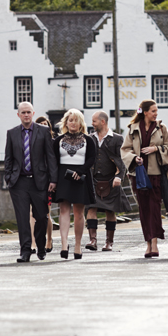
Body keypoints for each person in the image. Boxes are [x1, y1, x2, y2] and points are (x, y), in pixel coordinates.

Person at [121, 99, 168, 258]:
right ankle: (148, 243)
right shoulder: (132, 129)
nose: (156, 113)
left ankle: (155, 244)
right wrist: (133, 158)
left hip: (156, 174)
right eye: (153, 111)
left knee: (155, 209)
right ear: (145, 112)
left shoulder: (161, 128)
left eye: (156, 111)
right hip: (138, 175)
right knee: (144, 209)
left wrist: (156, 149)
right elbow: (124, 150)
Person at [4, 102, 57, 262]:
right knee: (22, 218)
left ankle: (41, 246)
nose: (26, 115)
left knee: (41, 217)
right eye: (23, 112)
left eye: (28, 112)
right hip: (18, 182)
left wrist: (53, 179)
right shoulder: (12, 133)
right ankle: (25, 250)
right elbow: (8, 158)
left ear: (33, 114)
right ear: (18, 115)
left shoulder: (43, 131)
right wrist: (9, 178)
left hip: (39, 182)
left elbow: (50, 156)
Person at [53, 109, 97, 260]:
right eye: (70, 120)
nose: (73, 123)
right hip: (63, 177)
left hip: (81, 176)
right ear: (66, 123)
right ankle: (64, 244)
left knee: (79, 212)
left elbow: (92, 158)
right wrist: (53, 180)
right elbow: (54, 161)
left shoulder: (88, 139)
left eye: (76, 120)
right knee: (64, 210)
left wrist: (81, 171)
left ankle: (78, 245)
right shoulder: (58, 140)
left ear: (81, 123)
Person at [85, 110, 130, 251]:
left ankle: (109, 242)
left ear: (102, 122)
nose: (92, 124)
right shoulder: (90, 138)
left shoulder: (117, 139)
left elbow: (122, 159)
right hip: (93, 180)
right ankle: (93, 241)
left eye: (94, 121)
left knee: (110, 211)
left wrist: (119, 177)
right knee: (90, 208)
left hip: (111, 179)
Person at [35, 116, 56, 252]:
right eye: (41, 124)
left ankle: (49, 239)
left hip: (48, 181)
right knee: (33, 213)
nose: (44, 127)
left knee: (46, 213)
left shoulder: (53, 142)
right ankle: (33, 241)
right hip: (34, 180)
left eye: (46, 124)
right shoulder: (33, 142)